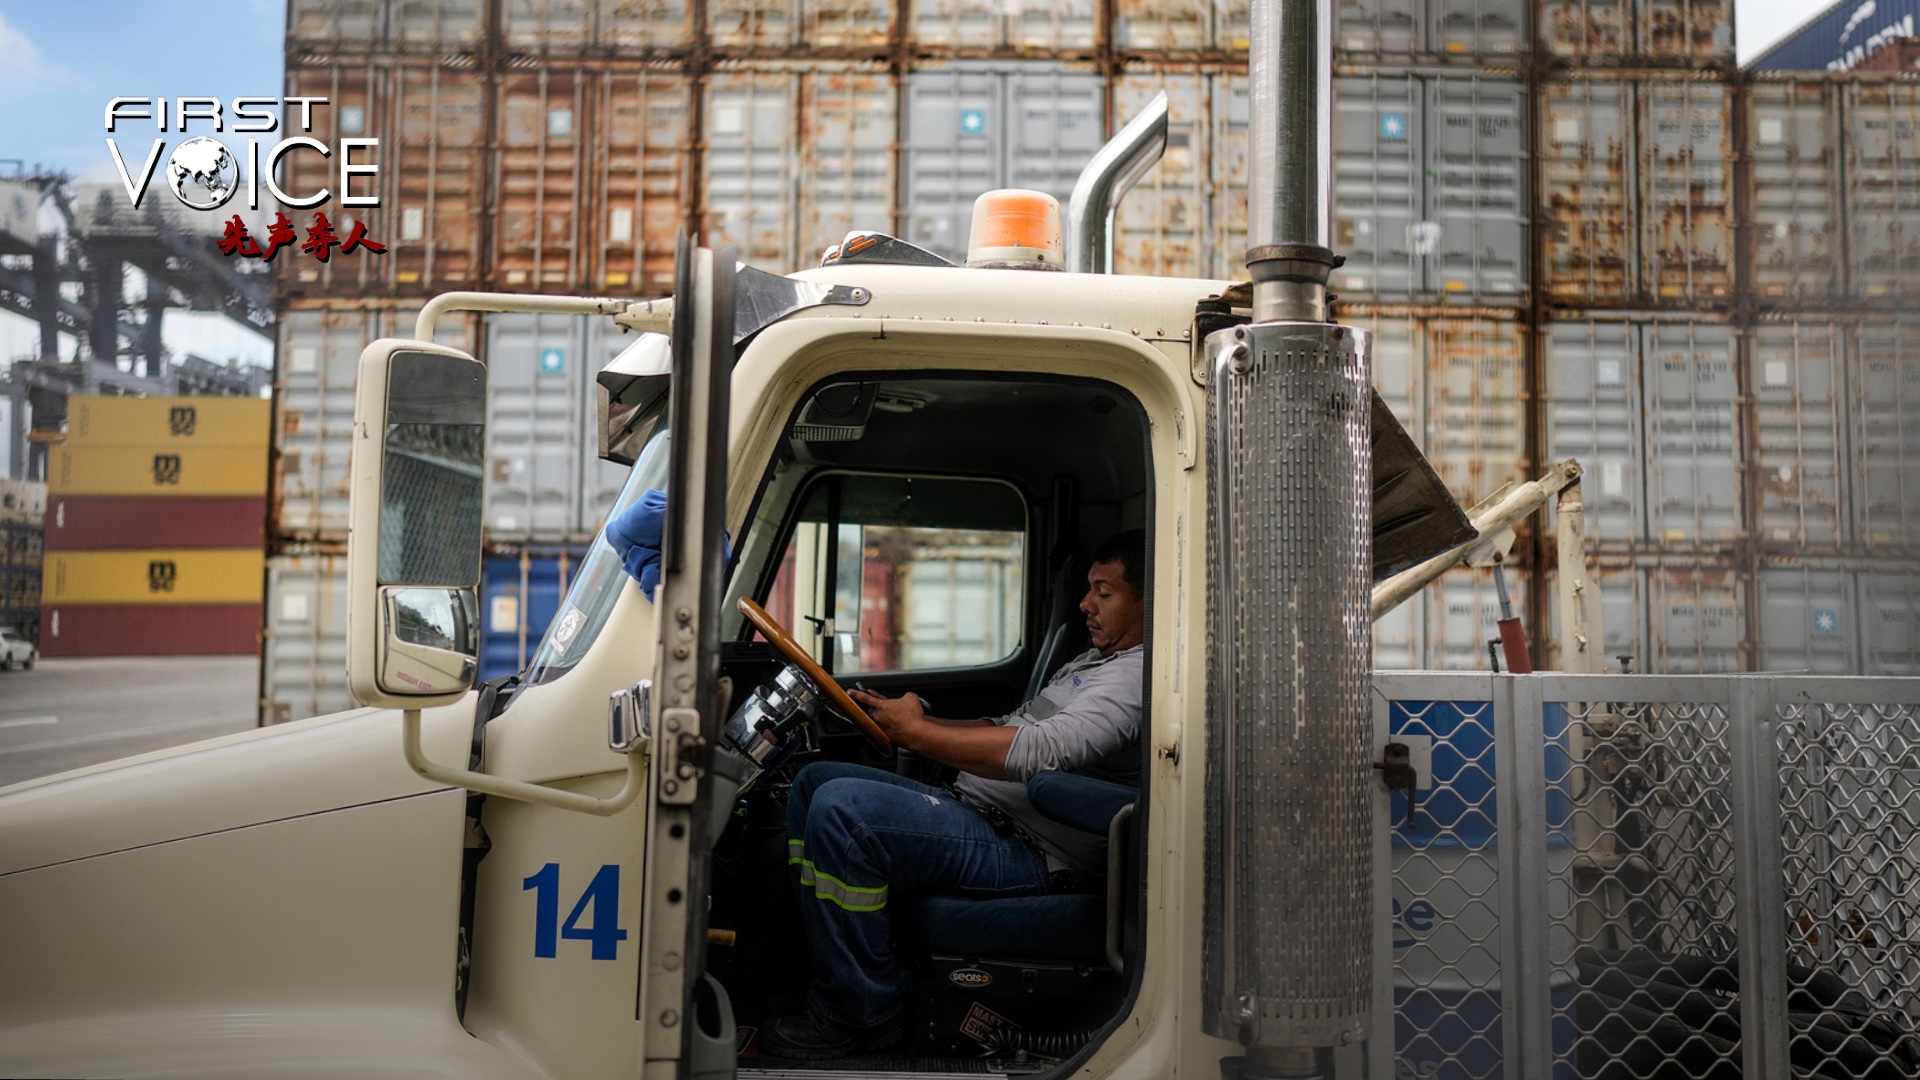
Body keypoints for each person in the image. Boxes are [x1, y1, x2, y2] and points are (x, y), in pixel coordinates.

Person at [763, 529, 1148, 1060]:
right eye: (1087, 589)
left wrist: (917, 735)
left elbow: (1043, 749)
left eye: (1104, 592)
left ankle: (861, 1012)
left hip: (1034, 852)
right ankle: (836, 968)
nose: (1085, 604)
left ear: (1147, 601)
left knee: (845, 812)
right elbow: (1010, 723)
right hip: (985, 814)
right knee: (814, 783)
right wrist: (920, 721)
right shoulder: (1093, 663)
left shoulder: (1135, 681)